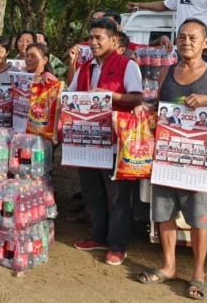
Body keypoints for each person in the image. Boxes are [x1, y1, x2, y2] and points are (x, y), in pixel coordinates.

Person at [136, 18, 207, 299]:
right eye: (182, 37)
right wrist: (146, 108)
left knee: (198, 219)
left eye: (193, 38)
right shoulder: (167, 71)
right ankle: (168, 266)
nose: (186, 42)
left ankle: (198, 275)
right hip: (167, 155)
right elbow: (159, 105)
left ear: (206, 43)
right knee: (164, 214)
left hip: (199, 159)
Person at [68, 17, 143, 266]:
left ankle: (118, 245)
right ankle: (98, 236)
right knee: (92, 192)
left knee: (119, 197)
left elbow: (136, 99)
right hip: (87, 140)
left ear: (113, 40)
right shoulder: (86, 66)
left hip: (115, 141)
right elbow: (69, 94)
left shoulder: (127, 65)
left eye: (98, 37)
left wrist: (110, 96)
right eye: (90, 37)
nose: (93, 42)